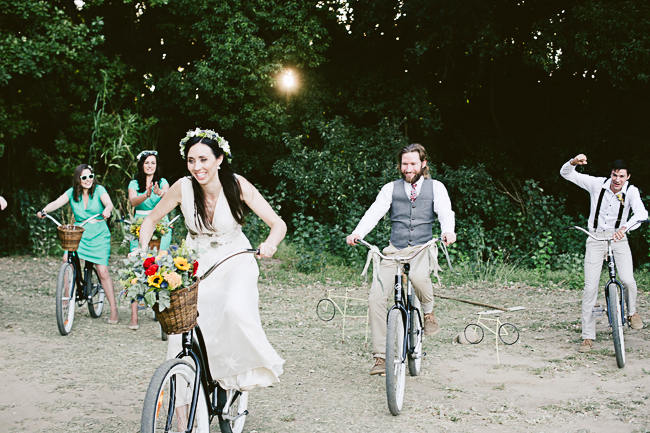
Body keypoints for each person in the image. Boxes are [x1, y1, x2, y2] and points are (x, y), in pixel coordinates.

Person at [137, 128, 286, 398]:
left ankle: (238, 373)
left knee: (233, 308)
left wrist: (270, 244)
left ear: (219, 159)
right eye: (191, 160)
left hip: (235, 257)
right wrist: (142, 251)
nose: (197, 167)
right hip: (196, 260)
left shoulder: (237, 185)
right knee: (183, 326)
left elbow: (278, 223)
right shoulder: (182, 187)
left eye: (204, 159)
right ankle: (182, 405)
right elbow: (150, 220)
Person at [346, 143, 456, 375]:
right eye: (405, 164)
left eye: (413, 163)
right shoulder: (390, 189)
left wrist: (448, 231)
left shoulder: (436, 187)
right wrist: (358, 233)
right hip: (394, 251)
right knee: (375, 297)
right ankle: (380, 357)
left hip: (421, 248)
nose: (408, 168)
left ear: (423, 164)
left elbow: (445, 211)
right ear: (400, 166)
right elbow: (374, 212)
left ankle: (428, 312)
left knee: (417, 276)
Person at [561, 154, 648, 352]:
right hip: (596, 238)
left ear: (628, 177)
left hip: (619, 237)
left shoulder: (631, 192)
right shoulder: (597, 184)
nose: (617, 180)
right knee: (590, 287)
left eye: (622, 176)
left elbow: (642, 214)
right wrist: (573, 162)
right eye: (615, 175)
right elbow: (566, 173)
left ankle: (631, 312)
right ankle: (587, 336)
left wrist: (625, 228)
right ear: (611, 174)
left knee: (627, 280)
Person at [37, 164, 119, 324]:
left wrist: (108, 210)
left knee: (102, 271)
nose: (88, 180)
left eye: (90, 176)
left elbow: (108, 203)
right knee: (66, 259)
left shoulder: (100, 190)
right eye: (84, 177)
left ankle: (114, 309)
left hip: (99, 234)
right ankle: (67, 297)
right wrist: (44, 210)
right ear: (78, 180)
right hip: (80, 233)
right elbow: (57, 202)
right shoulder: (72, 193)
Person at [127, 150, 172, 330]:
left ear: (156, 165)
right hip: (139, 224)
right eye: (147, 163)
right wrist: (145, 195)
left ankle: (159, 311)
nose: (150, 166)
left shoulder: (162, 182)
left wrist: (160, 193)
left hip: (160, 223)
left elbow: (169, 199)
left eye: (152, 163)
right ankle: (134, 316)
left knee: (160, 265)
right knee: (136, 267)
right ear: (142, 165)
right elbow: (132, 201)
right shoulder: (133, 182)